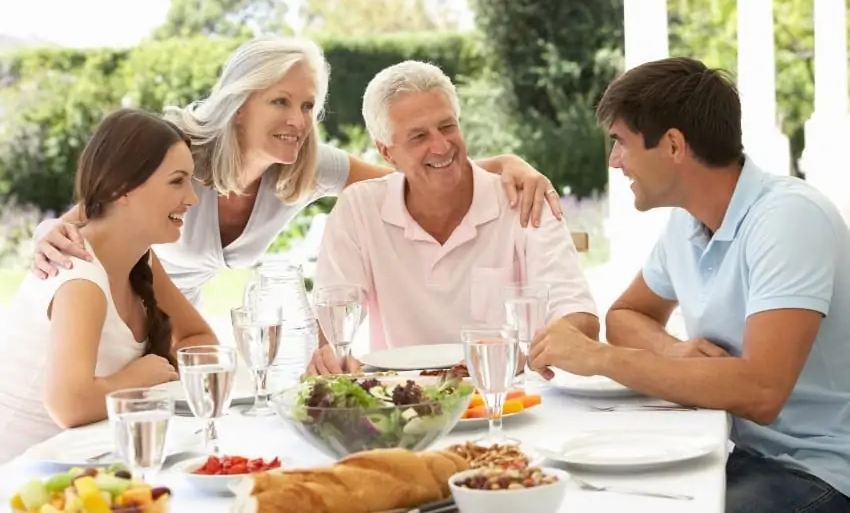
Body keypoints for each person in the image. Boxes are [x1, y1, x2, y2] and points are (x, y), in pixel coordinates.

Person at [528, 57, 850, 512]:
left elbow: (761, 391)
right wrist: (673, 350)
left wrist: (597, 357)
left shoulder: (789, 219)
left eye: (620, 142)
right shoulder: (688, 224)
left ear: (674, 146)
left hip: (818, 471)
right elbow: (626, 316)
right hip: (738, 455)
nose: (614, 160)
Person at [30, 37, 564, 309]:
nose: (297, 121)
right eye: (280, 101)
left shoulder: (306, 167)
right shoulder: (176, 149)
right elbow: (88, 216)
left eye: (308, 106)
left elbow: (407, 174)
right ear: (240, 105)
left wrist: (506, 166)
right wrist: (42, 232)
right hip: (105, 311)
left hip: (174, 326)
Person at [307, 60, 599, 376]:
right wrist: (332, 361)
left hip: (506, 401)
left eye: (447, 126)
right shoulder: (359, 209)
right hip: (404, 410)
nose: (441, 145)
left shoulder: (523, 199)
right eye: (418, 136)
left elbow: (578, 318)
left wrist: (535, 351)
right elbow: (331, 328)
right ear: (387, 152)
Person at [0, 109, 218, 463]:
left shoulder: (140, 259)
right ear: (122, 189)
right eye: (177, 181)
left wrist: (160, 369)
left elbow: (201, 341)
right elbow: (68, 405)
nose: (192, 198)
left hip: (86, 462)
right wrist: (139, 376)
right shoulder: (79, 275)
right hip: (20, 480)